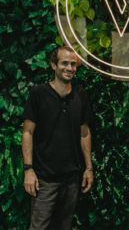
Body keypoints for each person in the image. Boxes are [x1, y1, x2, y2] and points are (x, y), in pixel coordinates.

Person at [22, 46, 94, 230]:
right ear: (53, 65)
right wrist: (28, 169)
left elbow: (84, 132)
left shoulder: (80, 95)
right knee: (39, 227)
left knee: (64, 226)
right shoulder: (38, 94)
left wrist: (88, 168)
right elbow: (27, 132)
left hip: (72, 179)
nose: (69, 68)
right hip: (44, 179)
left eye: (73, 64)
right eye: (64, 63)